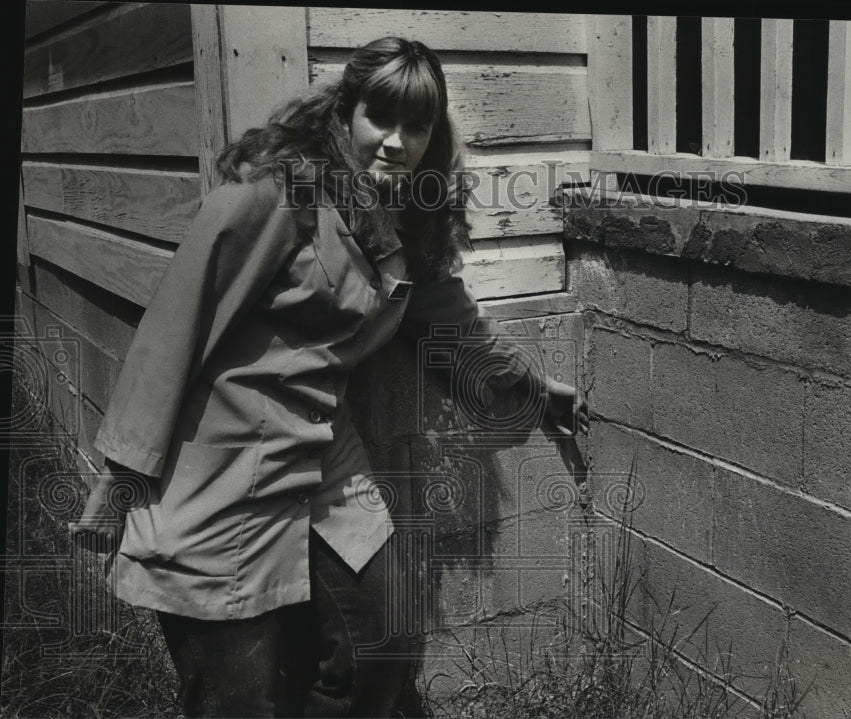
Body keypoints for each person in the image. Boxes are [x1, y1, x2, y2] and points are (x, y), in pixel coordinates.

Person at [69, 36, 587, 718]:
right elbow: (170, 336)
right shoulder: (272, 199)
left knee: (385, 648)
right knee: (241, 698)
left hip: (326, 460)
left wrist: (530, 385)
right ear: (344, 114)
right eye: (382, 117)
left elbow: (447, 319)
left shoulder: (401, 219)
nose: (398, 142)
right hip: (226, 465)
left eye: (418, 125)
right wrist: (123, 483)